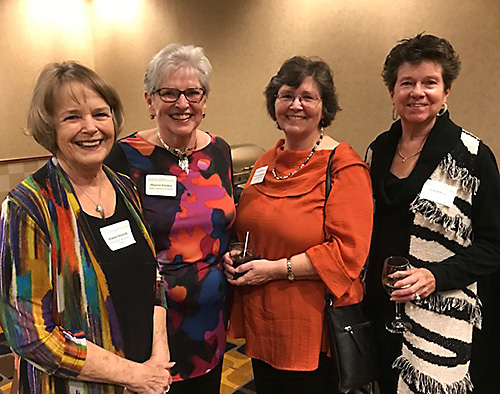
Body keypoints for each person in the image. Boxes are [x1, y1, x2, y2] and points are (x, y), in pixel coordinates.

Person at [0, 61, 173, 394]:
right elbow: (30, 335)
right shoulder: (28, 207)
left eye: (100, 114)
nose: (90, 127)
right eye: (72, 117)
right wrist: (133, 376)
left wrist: (157, 359)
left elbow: (153, 278)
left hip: (145, 377)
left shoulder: (125, 187)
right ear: (49, 126)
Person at [223, 56, 373, 394]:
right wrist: (234, 252)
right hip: (264, 319)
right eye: (286, 95)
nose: (295, 105)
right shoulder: (267, 160)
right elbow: (250, 224)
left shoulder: (344, 168)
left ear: (325, 106)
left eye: (308, 97)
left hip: (311, 329)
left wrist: (274, 270)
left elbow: (348, 253)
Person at [365, 33, 500, 394]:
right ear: (392, 92)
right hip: (383, 307)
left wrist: (434, 277)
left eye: (430, 82)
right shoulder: (377, 149)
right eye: (406, 82)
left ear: (446, 91)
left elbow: (493, 245)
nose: (417, 92)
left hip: (441, 312)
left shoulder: (473, 158)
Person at [105, 44, 235, 394]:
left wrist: (231, 251)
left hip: (210, 321)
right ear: (149, 100)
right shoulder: (123, 156)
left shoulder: (219, 151)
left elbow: (223, 222)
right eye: (169, 93)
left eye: (193, 92)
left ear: (205, 100)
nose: (183, 103)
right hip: (149, 322)